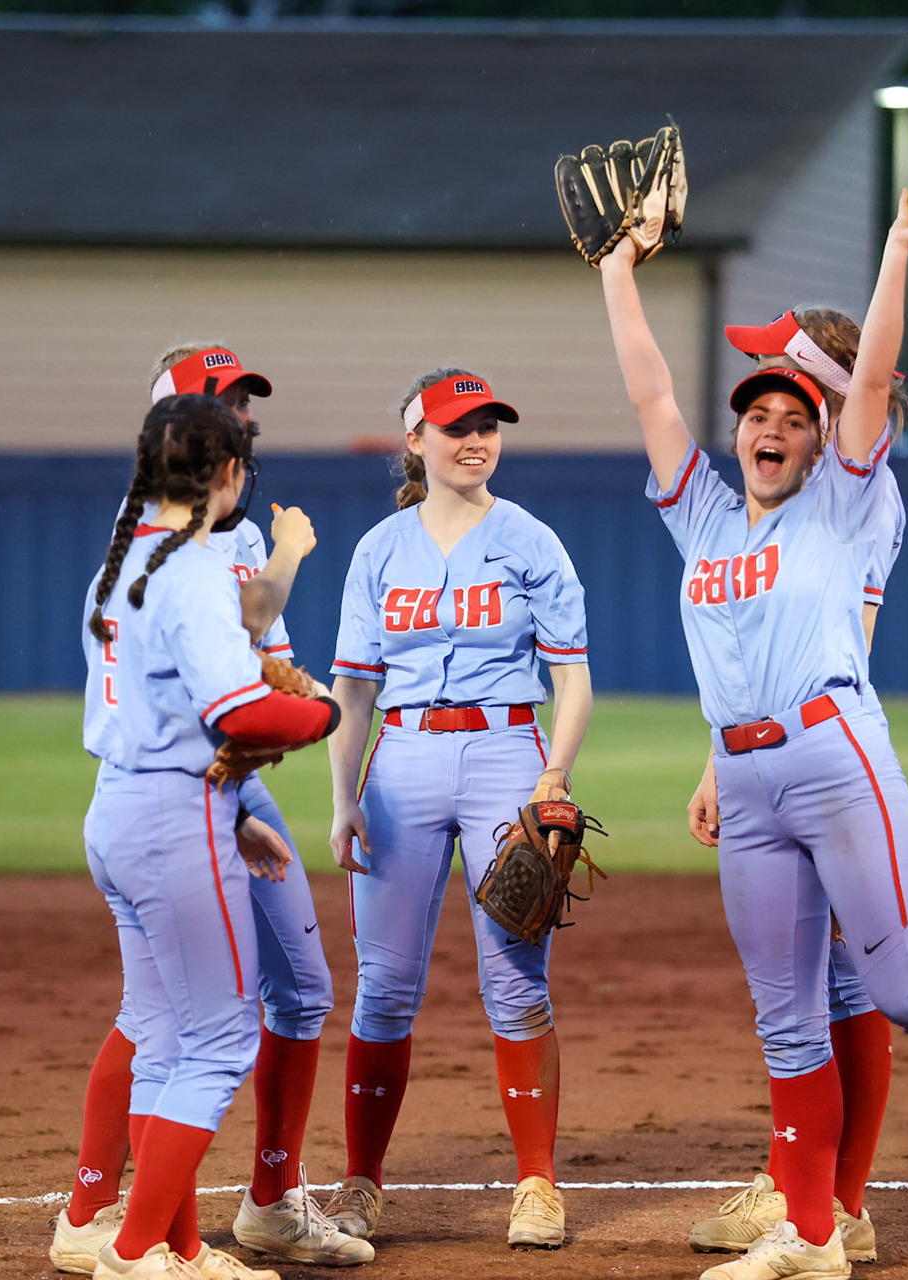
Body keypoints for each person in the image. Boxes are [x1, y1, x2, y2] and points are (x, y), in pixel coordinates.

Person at [597, 191, 908, 1280]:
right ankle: (814, 1234)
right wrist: (616, 272)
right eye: (753, 416)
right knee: (787, 1023)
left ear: (822, 432)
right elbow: (648, 390)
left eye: (790, 416)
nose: (766, 429)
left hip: (835, 757)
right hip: (746, 779)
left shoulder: (842, 500)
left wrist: (895, 248)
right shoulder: (704, 512)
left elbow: (870, 376)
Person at [53, 346, 368, 1274]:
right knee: (221, 1037)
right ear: (219, 466)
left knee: (167, 1027)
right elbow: (237, 709)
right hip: (181, 802)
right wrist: (323, 714)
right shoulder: (190, 567)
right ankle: (138, 1244)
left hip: (141, 802)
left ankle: (169, 1245)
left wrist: (235, 810)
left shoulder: (132, 553)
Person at [320, 368, 593, 1250]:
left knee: (515, 981)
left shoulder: (531, 541)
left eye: (487, 426)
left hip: (505, 752)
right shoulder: (378, 550)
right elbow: (353, 692)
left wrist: (553, 773)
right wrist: (341, 800)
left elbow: (572, 677)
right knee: (384, 988)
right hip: (399, 762)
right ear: (416, 441)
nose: (475, 440)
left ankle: (538, 1187)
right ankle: (361, 1185)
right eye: (455, 427)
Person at [685, 327, 908, 1267]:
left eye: (794, 367)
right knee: (808, 988)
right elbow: (745, 638)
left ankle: (833, 1201)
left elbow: (836, 638)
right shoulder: (782, 490)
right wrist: (718, 757)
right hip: (770, 752)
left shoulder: (856, 489)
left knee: (852, 978)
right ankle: (806, 1189)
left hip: (830, 748)